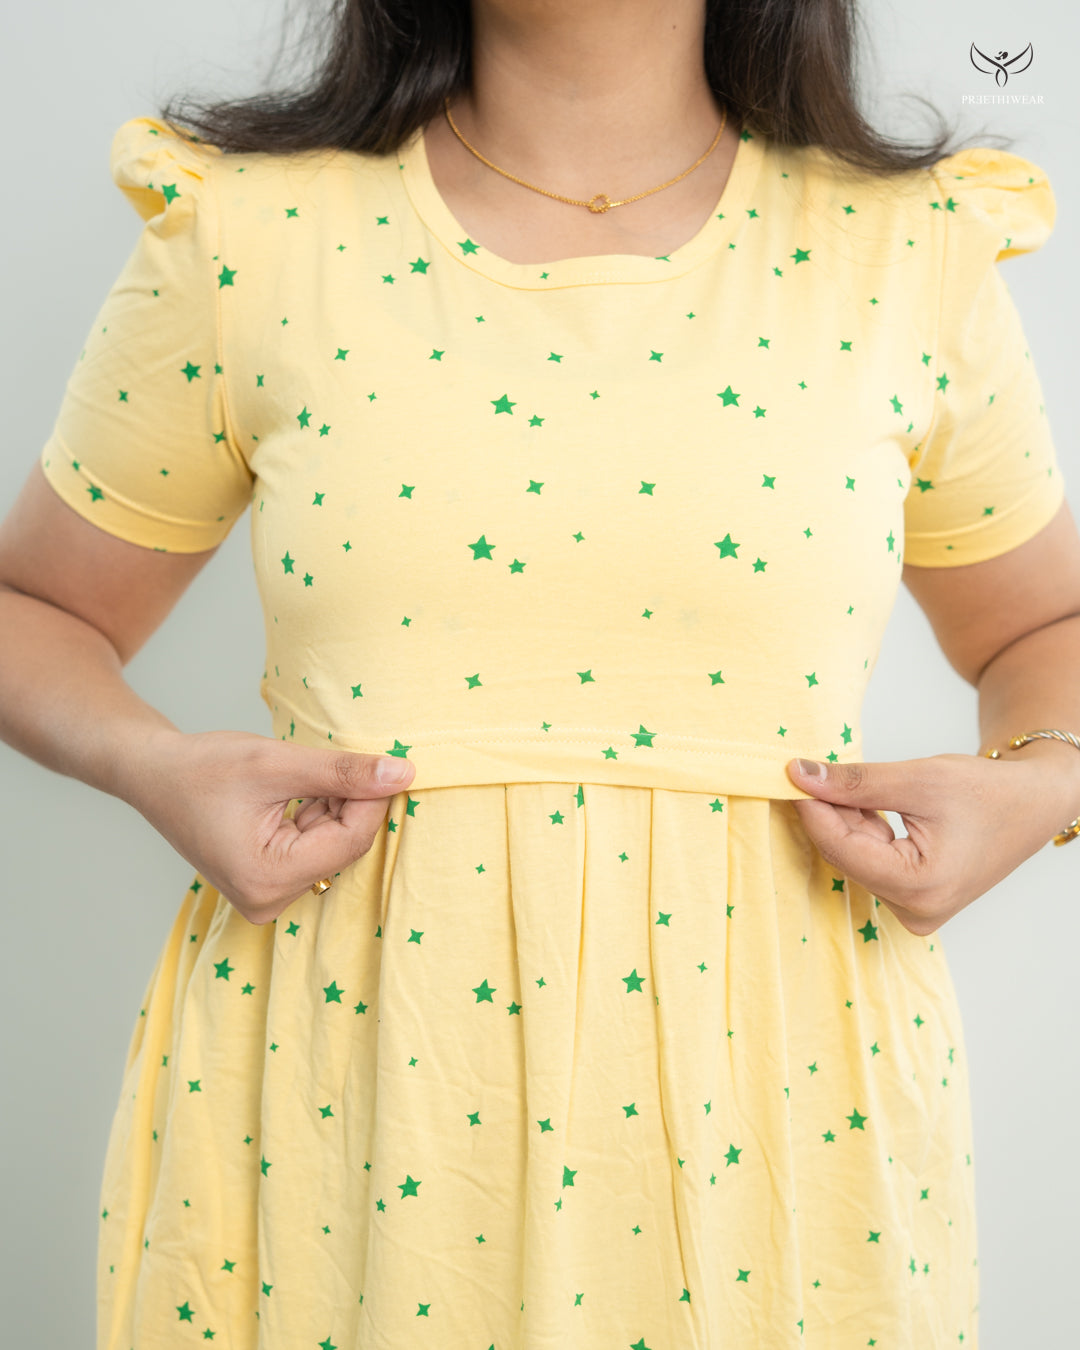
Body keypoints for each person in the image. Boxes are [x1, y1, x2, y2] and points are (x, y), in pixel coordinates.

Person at [2, 1, 1078, 1345]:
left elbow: (1046, 627)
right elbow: (34, 608)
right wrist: (154, 767)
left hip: (777, 1119)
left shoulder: (904, 251)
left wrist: (1041, 786)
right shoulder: (252, 236)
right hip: (361, 1112)